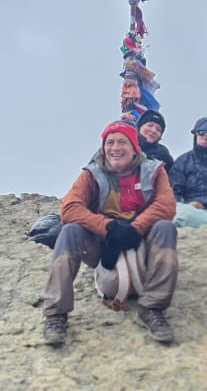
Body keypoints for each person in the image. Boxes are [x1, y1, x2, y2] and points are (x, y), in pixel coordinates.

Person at [42, 120, 178, 346]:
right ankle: (56, 313)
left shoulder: (154, 170)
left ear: (135, 147)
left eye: (122, 141)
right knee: (70, 231)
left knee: (166, 227)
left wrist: (135, 228)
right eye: (110, 142)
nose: (115, 147)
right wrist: (108, 228)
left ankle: (152, 307)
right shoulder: (91, 173)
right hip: (103, 245)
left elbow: (166, 205)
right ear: (103, 147)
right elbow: (70, 208)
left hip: (141, 240)